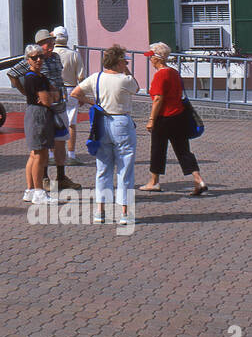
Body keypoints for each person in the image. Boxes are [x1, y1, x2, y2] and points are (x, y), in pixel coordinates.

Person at [71, 44, 139, 226]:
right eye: (124, 60)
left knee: (103, 167)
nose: (126, 63)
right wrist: (127, 69)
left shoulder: (96, 77)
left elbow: (75, 92)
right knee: (125, 167)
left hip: (102, 122)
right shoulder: (125, 79)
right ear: (118, 62)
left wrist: (91, 102)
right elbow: (136, 88)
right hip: (121, 121)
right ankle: (125, 212)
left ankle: (100, 211)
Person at [9, 29, 79, 191]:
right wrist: (26, 92)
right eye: (48, 43)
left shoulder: (55, 57)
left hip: (59, 105)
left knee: (61, 142)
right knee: (44, 145)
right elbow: (12, 73)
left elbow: (58, 78)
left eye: (52, 42)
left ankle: (61, 177)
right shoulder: (32, 60)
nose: (51, 45)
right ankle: (44, 178)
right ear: (40, 45)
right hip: (45, 109)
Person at [140, 41, 210, 196]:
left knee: (158, 149)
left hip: (164, 117)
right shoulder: (173, 72)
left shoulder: (160, 75)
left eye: (151, 56)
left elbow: (158, 99)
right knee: (183, 150)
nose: (150, 59)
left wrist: (151, 119)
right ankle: (198, 179)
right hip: (178, 115)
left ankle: (154, 181)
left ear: (158, 58)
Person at [19, 44, 59, 205]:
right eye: (34, 57)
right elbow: (49, 100)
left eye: (40, 57)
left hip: (35, 113)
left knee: (34, 154)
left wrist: (51, 95)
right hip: (39, 115)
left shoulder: (39, 77)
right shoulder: (35, 78)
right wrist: (51, 96)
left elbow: (54, 92)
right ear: (28, 60)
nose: (38, 60)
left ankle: (30, 190)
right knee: (40, 155)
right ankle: (39, 192)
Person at [52, 26, 85, 162]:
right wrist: (82, 95)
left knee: (53, 122)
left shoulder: (50, 53)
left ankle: (51, 155)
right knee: (71, 123)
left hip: (54, 89)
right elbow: (81, 77)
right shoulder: (74, 54)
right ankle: (71, 154)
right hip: (71, 89)